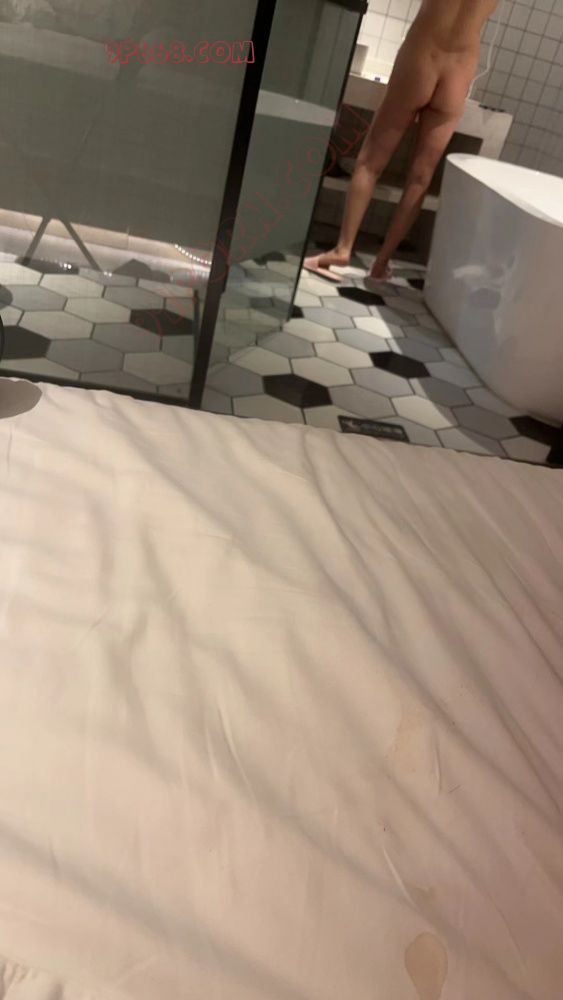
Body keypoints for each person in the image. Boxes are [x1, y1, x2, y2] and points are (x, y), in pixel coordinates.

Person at [305, 0, 499, 281]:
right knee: (420, 178)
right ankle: (381, 263)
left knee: (370, 163)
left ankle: (343, 249)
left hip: (422, 56)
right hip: (460, 68)